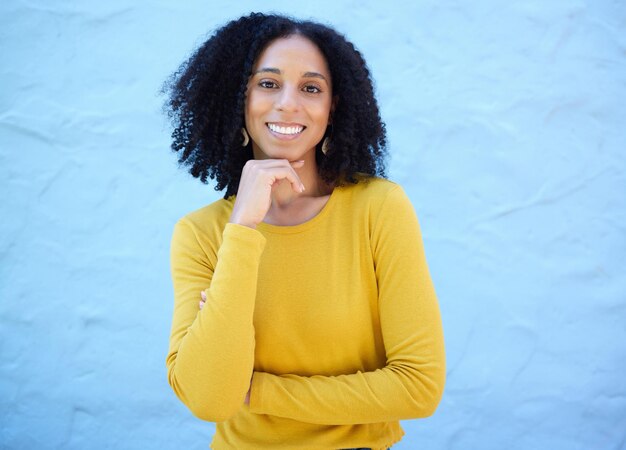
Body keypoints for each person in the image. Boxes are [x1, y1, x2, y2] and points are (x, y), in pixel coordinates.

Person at [163, 12, 445, 450]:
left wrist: (257, 391)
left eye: (311, 88)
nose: (288, 104)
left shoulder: (378, 209)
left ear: (333, 108)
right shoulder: (202, 234)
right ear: (237, 99)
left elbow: (418, 386)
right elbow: (210, 399)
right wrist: (242, 228)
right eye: (268, 83)